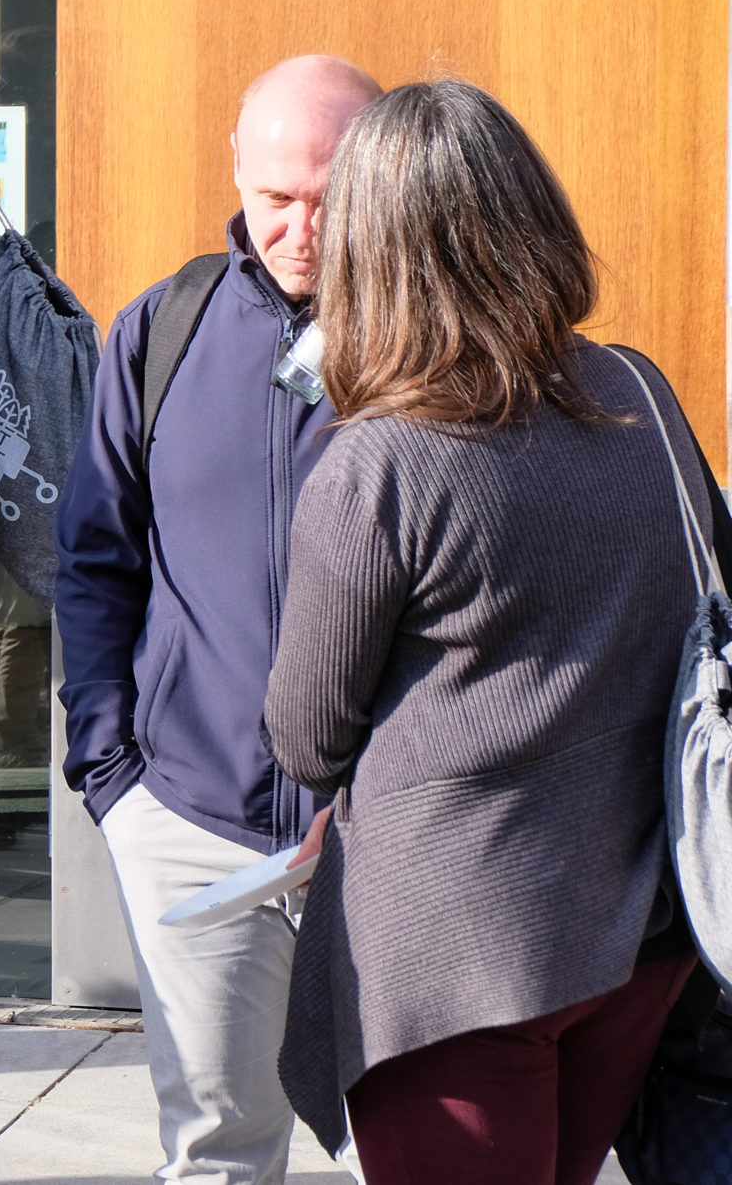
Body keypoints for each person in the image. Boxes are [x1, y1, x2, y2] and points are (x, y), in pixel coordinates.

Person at [266, 79, 706, 1184]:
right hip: (639, 925)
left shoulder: (379, 462)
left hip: (456, 953)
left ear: (374, 252)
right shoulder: (639, 396)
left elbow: (306, 738)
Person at [52, 53, 380, 1184]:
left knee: (410, 1149)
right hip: (193, 823)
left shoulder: (435, 342)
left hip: (389, 840)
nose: (300, 228)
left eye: (332, 201)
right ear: (234, 168)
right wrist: (108, 773)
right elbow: (95, 561)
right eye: (278, 197)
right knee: (215, 1149)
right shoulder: (161, 329)